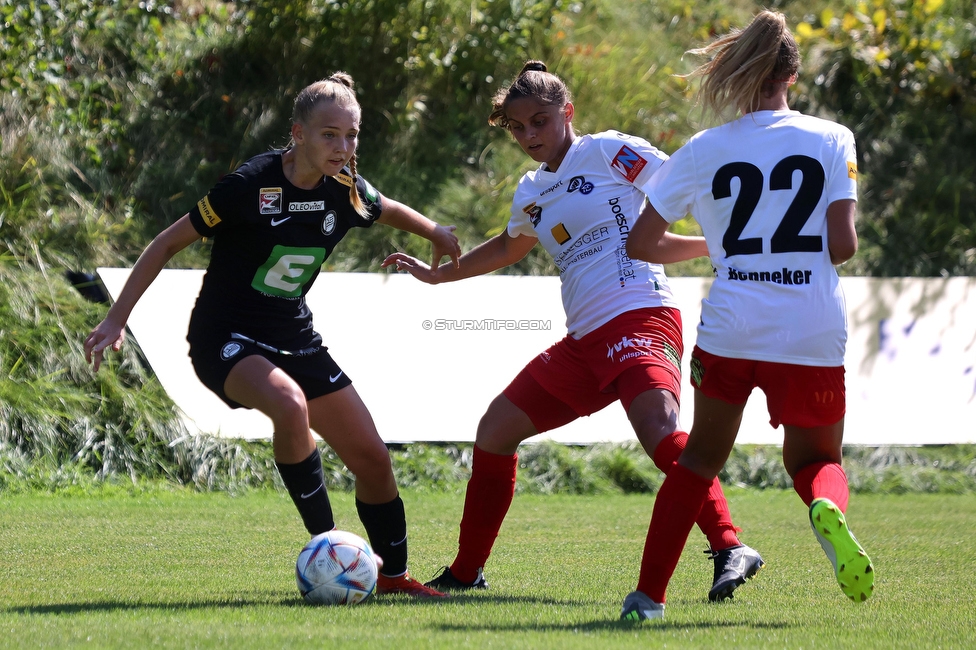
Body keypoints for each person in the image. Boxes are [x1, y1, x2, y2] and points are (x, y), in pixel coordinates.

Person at [382, 60, 764, 602]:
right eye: (518, 128)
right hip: (585, 343)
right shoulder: (531, 190)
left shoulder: (608, 151)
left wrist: (726, 240)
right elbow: (509, 246)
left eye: (540, 121)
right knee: (495, 431)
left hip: (640, 315)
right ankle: (466, 572)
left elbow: (681, 187)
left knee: (660, 430)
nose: (530, 136)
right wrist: (440, 276)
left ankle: (729, 546)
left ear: (568, 112)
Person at [84, 73, 460, 599]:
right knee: (289, 404)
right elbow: (167, 243)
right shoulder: (247, 187)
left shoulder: (347, 187)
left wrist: (436, 232)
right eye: (330, 135)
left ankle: (394, 578)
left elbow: (386, 206)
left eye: (352, 136)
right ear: (298, 133)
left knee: (373, 458)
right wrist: (116, 318)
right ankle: (328, 543)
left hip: (296, 337)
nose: (343, 147)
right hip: (225, 339)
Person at [620, 11, 874, 621]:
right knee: (816, 462)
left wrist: (724, 242)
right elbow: (843, 247)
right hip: (811, 328)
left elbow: (641, 243)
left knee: (698, 462)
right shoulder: (832, 136)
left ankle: (647, 599)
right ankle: (825, 509)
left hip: (732, 329)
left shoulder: (704, 149)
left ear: (738, 73)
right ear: (792, 73)